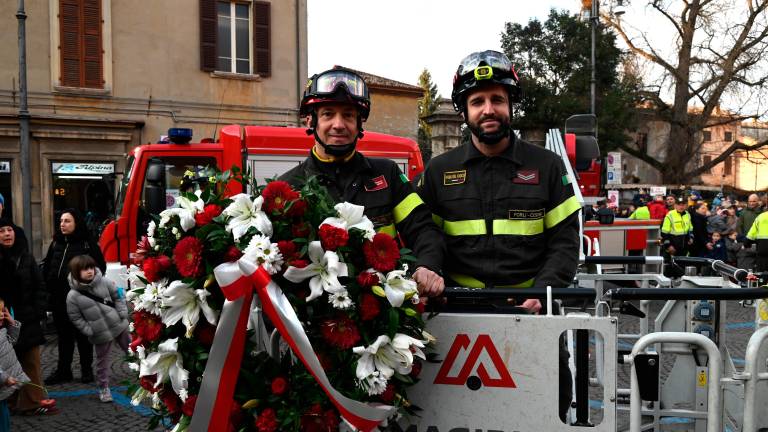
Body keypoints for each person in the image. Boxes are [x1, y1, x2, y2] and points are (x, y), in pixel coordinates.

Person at [415, 50, 579, 420]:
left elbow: (566, 241)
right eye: (477, 102)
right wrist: (428, 269)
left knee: (545, 412)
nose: (488, 110)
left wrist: (544, 292)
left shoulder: (548, 167)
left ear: (511, 105)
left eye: (497, 100)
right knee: (455, 416)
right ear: (464, 111)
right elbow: (425, 236)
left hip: (531, 313)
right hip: (456, 315)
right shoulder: (439, 171)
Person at [279, 67, 445, 296]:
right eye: (328, 114)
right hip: (312, 318)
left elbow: (423, 228)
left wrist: (427, 265)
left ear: (360, 123)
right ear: (310, 121)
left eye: (348, 115)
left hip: (383, 310)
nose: (339, 124)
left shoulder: (387, 174)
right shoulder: (287, 187)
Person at [42, 209, 105, 385]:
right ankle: (64, 370)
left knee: (83, 336)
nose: (63, 224)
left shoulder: (87, 244)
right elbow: (48, 267)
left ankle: (86, 370)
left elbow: (100, 269)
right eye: (61, 221)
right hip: (59, 299)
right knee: (64, 336)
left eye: (67, 221)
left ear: (76, 223)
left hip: (81, 300)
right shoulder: (56, 244)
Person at [0, 219, 55, 415]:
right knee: (8, 364)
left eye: (10, 230)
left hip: (28, 319)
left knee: (31, 362)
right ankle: (11, 401)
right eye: (2, 231)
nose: (7, 234)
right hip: (4, 322)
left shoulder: (26, 258)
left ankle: (33, 401)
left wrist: (37, 311)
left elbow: (39, 286)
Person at [66, 255, 129, 403]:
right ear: (76, 272)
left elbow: (118, 296)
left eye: (91, 267)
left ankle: (146, 376)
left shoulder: (105, 281)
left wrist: (122, 313)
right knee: (102, 362)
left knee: (132, 350)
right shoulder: (72, 296)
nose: (89, 271)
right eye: (84, 269)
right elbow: (75, 317)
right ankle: (104, 387)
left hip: (118, 324)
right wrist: (89, 330)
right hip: (99, 332)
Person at [0, 297, 30, 432]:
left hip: (3, 385)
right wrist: (4, 378)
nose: (1, 314)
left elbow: (11, 341)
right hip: (2, 381)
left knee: (4, 412)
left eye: (2, 310)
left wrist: (12, 324)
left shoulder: (1, 330)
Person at [745, 207, 768, 272]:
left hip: (762, 247)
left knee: (762, 272)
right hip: (763, 247)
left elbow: (752, 233)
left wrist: (746, 244)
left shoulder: (760, 217)